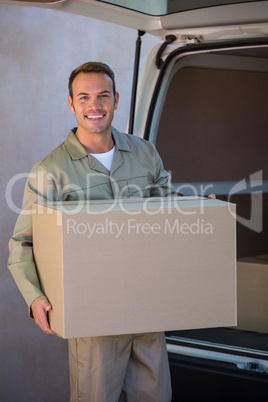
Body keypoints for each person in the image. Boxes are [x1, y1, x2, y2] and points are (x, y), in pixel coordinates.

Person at [8, 62, 175, 402]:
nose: (94, 105)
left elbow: (167, 209)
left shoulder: (145, 154)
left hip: (147, 304)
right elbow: (23, 241)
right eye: (84, 97)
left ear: (115, 99)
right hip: (92, 312)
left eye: (102, 95)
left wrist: (201, 209)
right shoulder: (51, 171)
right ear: (71, 103)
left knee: (156, 397)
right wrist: (35, 297)